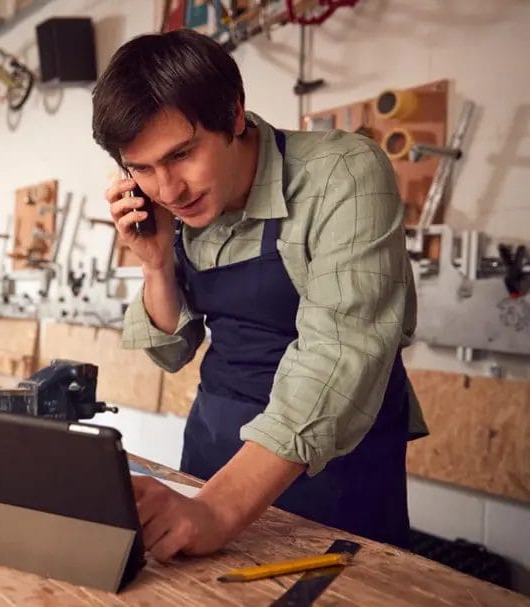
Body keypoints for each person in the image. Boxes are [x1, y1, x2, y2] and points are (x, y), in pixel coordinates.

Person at [92, 29, 427, 560]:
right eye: (142, 169)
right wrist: (154, 262)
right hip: (214, 451)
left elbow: (338, 356)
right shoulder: (177, 207)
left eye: (182, 154)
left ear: (233, 115)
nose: (169, 189)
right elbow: (171, 352)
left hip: (331, 464)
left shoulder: (342, 173)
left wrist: (216, 510)